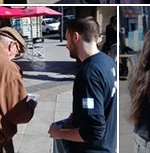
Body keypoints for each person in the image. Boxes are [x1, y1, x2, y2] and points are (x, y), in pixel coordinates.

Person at [48, 17, 117, 152]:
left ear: (75, 37)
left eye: (67, 39)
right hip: (108, 145)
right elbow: (101, 102)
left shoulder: (89, 74)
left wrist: (58, 133)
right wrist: (79, 115)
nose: (66, 45)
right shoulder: (107, 62)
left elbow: (94, 131)